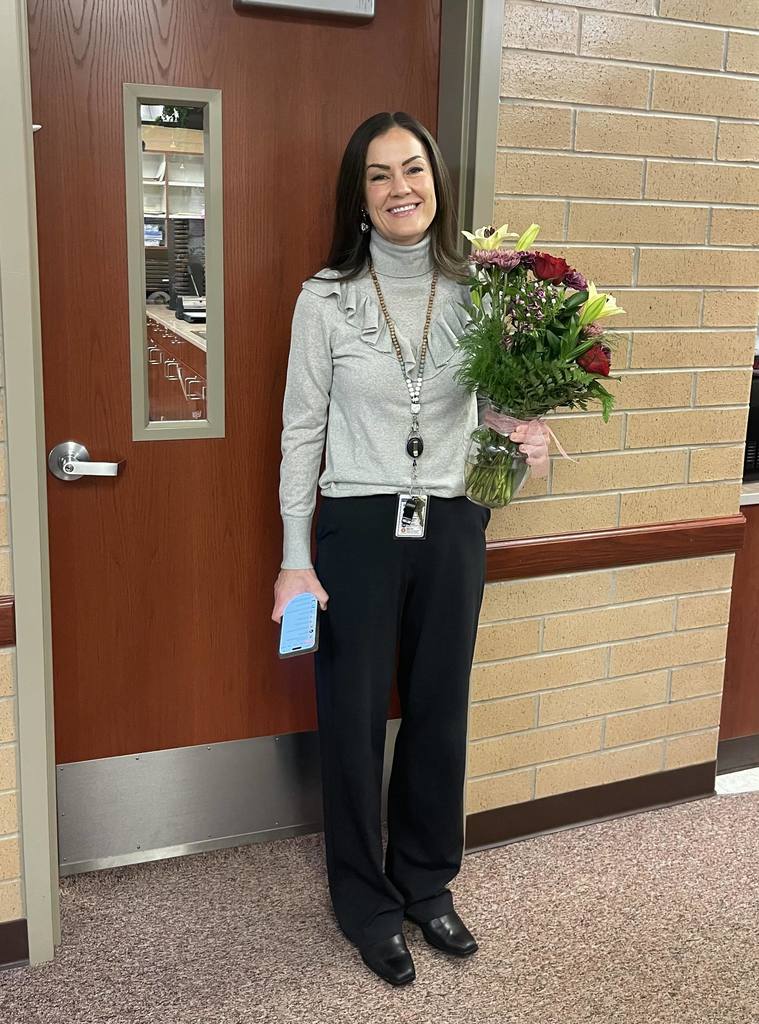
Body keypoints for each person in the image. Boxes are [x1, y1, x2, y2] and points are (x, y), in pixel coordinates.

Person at [272, 111, 549, 986]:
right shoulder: (324, 298)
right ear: (359, 198)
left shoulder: (484, 292)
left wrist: (521, 424)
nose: (401, 188)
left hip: (454, 520)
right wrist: (293, 554)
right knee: (352, 717)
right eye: (380, 176)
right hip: (355, 525)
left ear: (437, 180)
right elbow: (300, 431)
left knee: (440, 707)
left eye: (414, 169)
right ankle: (364, 900)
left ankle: (426, 883)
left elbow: (487, 406)